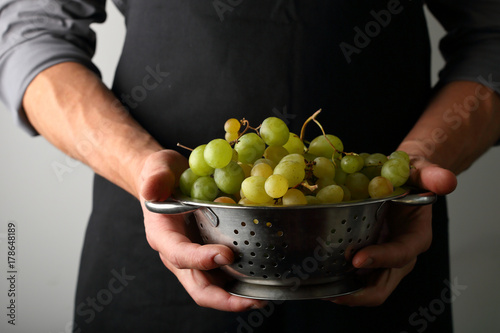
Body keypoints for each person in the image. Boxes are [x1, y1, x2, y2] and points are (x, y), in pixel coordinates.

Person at [1, 0, 499, 332]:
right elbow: (29, 31)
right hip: (156, 238)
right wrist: (140, 168)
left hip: (379, 233)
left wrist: (421, 160)